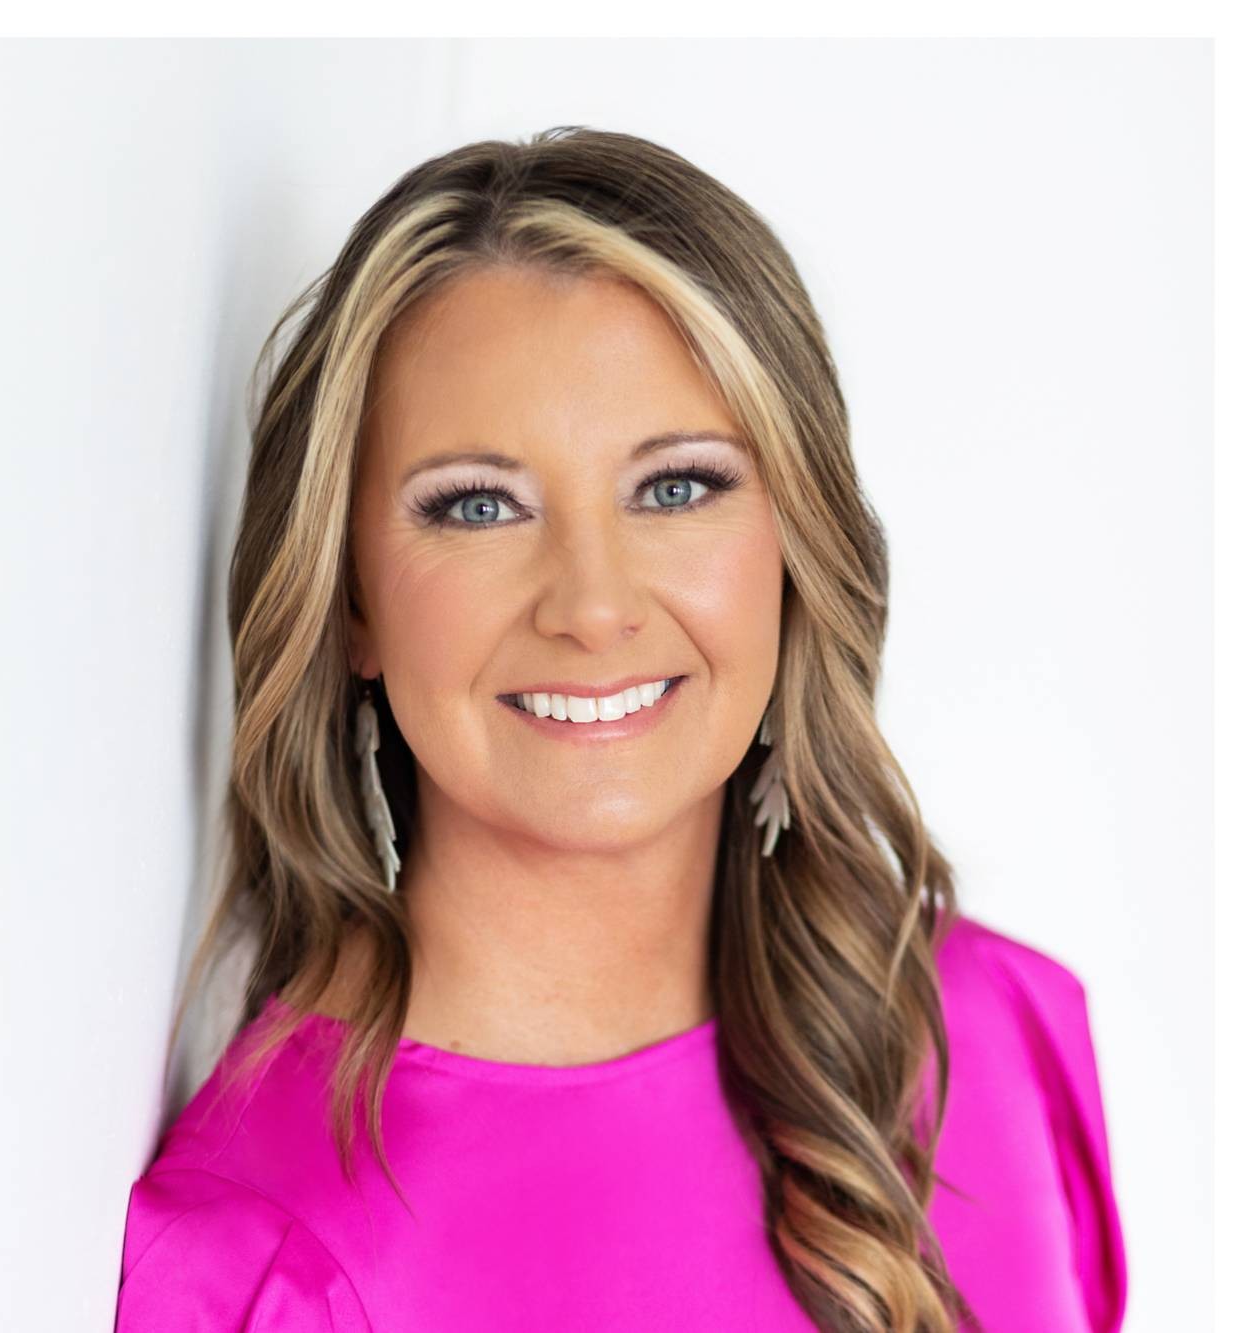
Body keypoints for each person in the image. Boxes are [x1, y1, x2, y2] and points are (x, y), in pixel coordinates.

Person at [112, 127, 1127, 1332]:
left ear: (794, 545)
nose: (592, 607)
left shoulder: (986, 1031)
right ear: (350, 601)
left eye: (676, 486)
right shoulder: (265, 1252)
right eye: (477, 506)